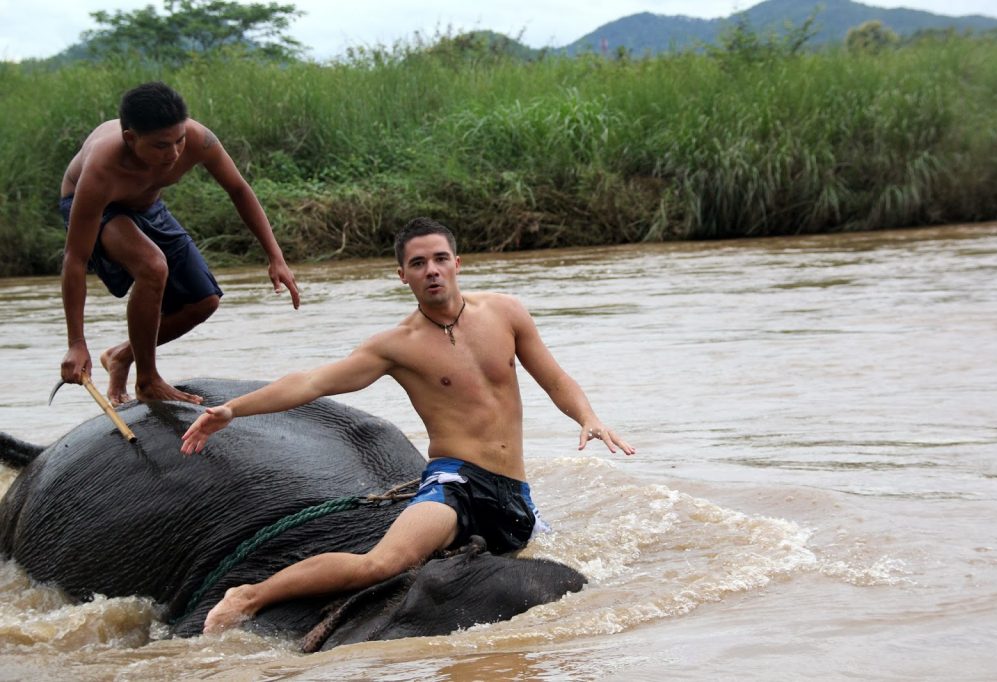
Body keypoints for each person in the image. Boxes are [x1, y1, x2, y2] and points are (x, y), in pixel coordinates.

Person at [180, 216, 636, 634]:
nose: (432, 270)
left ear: (457, 263)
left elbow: (554, 378)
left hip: (514, 492)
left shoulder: (507, 313)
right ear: (403, 275)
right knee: (382, 564)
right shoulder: (397, 346)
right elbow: (313, 382)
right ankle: (250, 596)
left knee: (576, 581)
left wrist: (588, 417)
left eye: (439, 259)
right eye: (418, 263)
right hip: (454, 481)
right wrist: (233, 410)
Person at [59, 81, 301, 405]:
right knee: (152, 266)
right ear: (131, 139)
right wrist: (77, 342)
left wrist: (276, 255)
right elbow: (75, 258)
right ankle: (148, 381)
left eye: (179, 140)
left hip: (147, 204)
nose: (174, 153)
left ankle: (121, 356)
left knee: (204, 301)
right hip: (100, 206)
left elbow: (239, 190)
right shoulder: (102, 170)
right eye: (161, 146)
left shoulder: (199, 140)